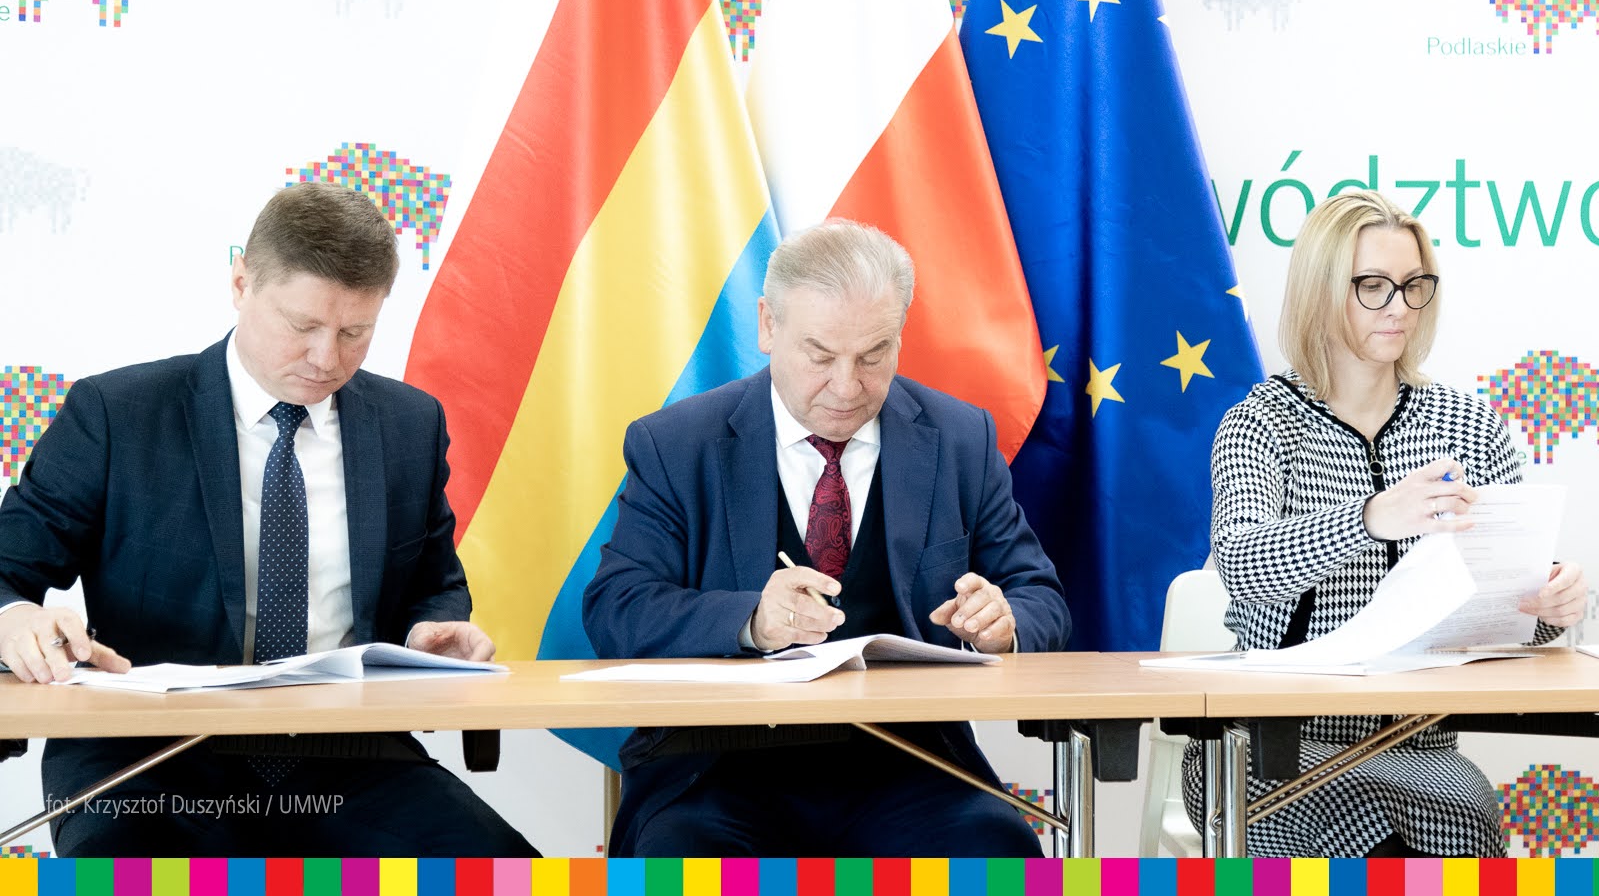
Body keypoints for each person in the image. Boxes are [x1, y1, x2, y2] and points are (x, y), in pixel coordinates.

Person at [0, 182, 537, 858]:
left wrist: (427, 630)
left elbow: (434, 583)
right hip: (149, 761)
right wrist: (13, 618)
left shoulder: (410, 424)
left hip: (352, 760)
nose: (327, 358)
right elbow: (6, 570)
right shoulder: (118, 414)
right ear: (241, 282)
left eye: (355, 332)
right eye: (303, 326)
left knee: (519, 880)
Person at [582, 220, 1068, 858]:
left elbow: (1040, 597)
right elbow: (616, 609)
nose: (847, 387)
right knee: (684, 862)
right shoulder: (675, 443)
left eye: (873, 356)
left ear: (900, 335)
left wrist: (1002, 625)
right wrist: (751, 620)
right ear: (767, 326)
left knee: (997, 853)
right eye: (820, 356)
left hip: (913, 764)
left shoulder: (960, 437)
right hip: (715, 769)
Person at [1190, 190, 1586, 857]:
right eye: (1372, 286)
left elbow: (1508, 607)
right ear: (1321, 291)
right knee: (1363, 835)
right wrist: (1371, 517)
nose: (1399, 306)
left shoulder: (1469, 425)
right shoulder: (1261, 422)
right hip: (1274, 742)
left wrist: (1549, 605)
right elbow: (1242, 563)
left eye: (1413, 285)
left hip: (1421, 748)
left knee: (1463, 820)